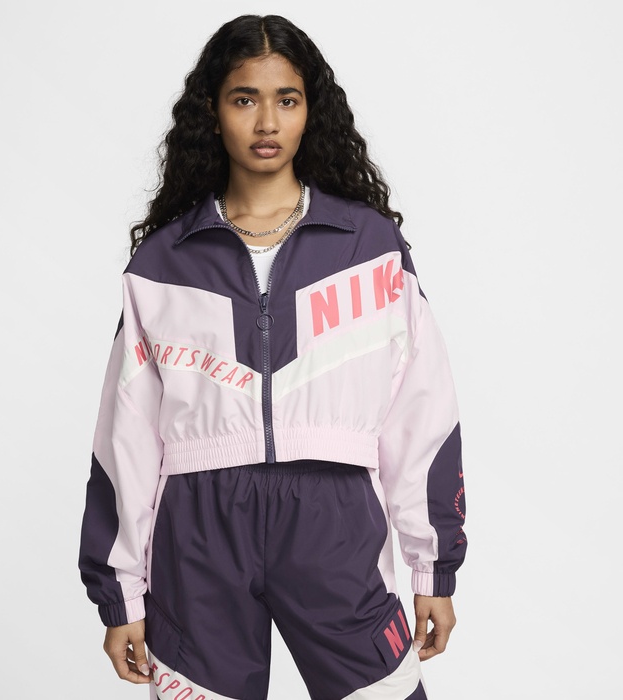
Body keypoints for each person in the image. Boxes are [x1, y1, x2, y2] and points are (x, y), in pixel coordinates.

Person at [78, 13, 467, 700]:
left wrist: (431, 566)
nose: (266, 122)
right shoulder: (163, 263)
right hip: (198, 528)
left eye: (286, 99)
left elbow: (422, 407)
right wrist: (120, 594)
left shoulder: (368, 247)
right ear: (212, 111)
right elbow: (124, 436)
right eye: (244, 99)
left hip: (333, 516)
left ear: (311, 110)